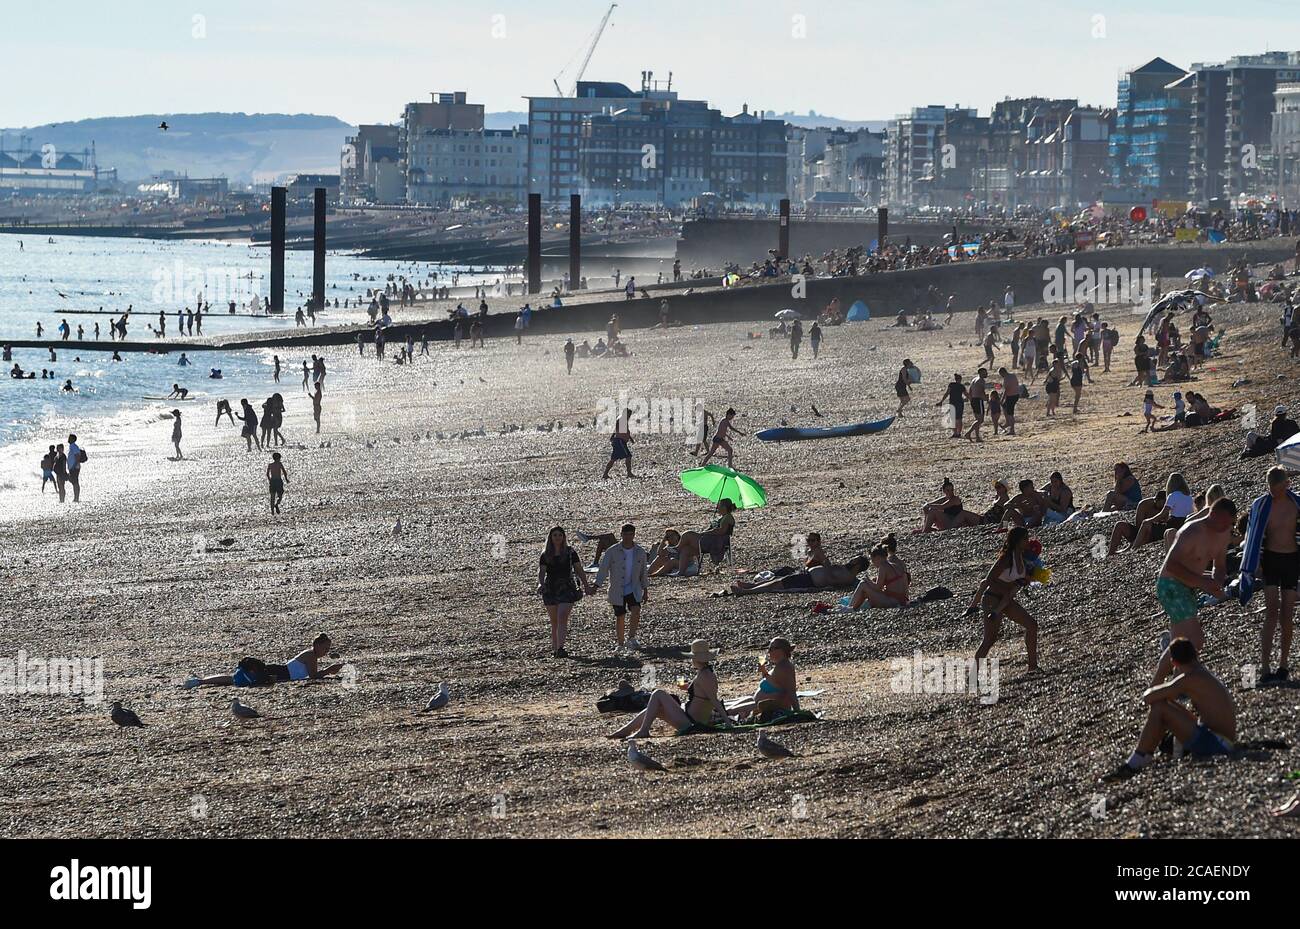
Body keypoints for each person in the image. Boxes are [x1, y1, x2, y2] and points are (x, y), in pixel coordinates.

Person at [1107, 638, 1236, 779]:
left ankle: (1137, 760)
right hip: (1222, 739)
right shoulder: (1201, 673)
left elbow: (1148, 697)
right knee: (1164, 705)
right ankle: (1152, 754)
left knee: (1160, 707)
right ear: (1195, 654)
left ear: (1174, 663)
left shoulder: (1189, 678)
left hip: (1218, 745)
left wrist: (1162, 670)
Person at [1151, 497, 1237, 686]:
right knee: (1195, 640)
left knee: (1180, 642)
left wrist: (1217, 582)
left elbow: (1220, 565)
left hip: (1189, 587)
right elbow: (1172, 565)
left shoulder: (1223, 534)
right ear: (1212, 514)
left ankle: (1165, 684)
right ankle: (1174, 682)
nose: (1225, 527)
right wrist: (1203, 583)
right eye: (1223, 522)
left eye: (1229, 524)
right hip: (1171, 585)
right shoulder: (1191, 531)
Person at [1240, 466, 1299, 684]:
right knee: (1271, 613)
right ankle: (1264, 667)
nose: (1274, 492)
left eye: (1278, 488)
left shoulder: (1296, 504)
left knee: (1287, 615)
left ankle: (1283, 664)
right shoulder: (1262, 505)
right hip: (1271, 561)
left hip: (1291, 561)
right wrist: (1254, 565)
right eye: (1271, 488)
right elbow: (1253, 535)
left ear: (1286, 484)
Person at [606, 639, 724, 738]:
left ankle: (642, 731)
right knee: (655, 708)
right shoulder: (706, 673)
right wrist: (688, 687)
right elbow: (702, 693)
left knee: (658, 693)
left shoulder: (704, 676)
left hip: (691, 722)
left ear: (696, 658)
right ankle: (625, 731)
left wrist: (728, 724)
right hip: (689, 718)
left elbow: (714, 700)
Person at [968, 526, 1039, 672]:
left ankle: (1033, 667)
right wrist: (1006, 591)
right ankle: (973, 675)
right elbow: (989, 579)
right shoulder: (1007, 558)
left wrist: (1029, 580)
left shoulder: (1023, 558)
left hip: (1006, 600)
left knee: (1032, 625)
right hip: (992, 598)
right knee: (989, 639)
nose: (1028, 541)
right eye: (1025, 538)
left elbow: (1021, 579)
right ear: (1017, 541)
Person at [184, 633, 344, 688]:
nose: (326, 651)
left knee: (234, 680)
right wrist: (330, 670)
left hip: (279, 672)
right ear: (316, 645)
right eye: (325, 648)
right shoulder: (311, 655)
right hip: (278, 672)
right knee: (235, 680)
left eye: (328, 649)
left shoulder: (312, 655)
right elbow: (313, 676)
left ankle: (200, 682)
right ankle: (199, 682)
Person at [592, 524, 649, 654]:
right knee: (620, 616)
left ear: (634, 535)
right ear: (621, 534)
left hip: (633, 587)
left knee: (636, 610)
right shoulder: (612, 551)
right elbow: (603, 569)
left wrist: (645, 589)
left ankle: (632, 637)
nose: (628, 537)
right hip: (617, 588)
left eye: (631, 534)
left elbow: (643, 572)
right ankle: (620, 643)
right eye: (625, 534)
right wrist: (596, 585)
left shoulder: (640, 552)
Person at [538, 527, 594, 658]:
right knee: (554, 621)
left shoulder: (570, 552)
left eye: (560, 535)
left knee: (562, 617)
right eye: (555, 535)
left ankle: (561, 647)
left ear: (564, 537)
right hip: (550, 588)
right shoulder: (545, 554)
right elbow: (541, 571)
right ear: (550, 538)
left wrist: (586, 585)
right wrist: (540, 583)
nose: (557, 538)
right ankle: (556, 648)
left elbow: (579, 569)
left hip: (567, 587)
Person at [728, 637, 799, 722]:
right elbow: (775, 682)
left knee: (730, 710)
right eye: (769, 648)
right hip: (758, 703)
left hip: (769, 707)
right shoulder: (779, 666)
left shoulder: (784, 667)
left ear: (782, 650)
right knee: (734, 703)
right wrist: (763, 671)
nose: (769, 652)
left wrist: (797, 712)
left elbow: (791, 691)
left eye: (772, 648)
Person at [730, 555, 870, 596]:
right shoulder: (846, 570)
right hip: (807, 574)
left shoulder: (849, 577)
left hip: (810, 580)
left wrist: (826, 565)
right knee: (778, 580)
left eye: (854, 560)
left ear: (858, 566)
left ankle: (747, 592)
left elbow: (831, 580)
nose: (851, 560)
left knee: (778, 584)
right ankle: (752, 586)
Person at [848, 540, 911, 609]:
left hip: (893, 602)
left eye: (872, 560)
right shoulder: (895, 565)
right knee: (865, 592)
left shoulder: (883, 567)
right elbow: (902, 584)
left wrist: (867, 580)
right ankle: (853, 608)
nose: (873, 563)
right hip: (902, 600)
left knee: (863, 584)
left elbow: (878, 588)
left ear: (877, 557)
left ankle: (849, 608)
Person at [602, 408, 634, 480]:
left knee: (613, 459)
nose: (629, 416)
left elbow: (617, 430)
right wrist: (627, 437)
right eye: (629, 415)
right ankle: (629, 473)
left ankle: (605, 474)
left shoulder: (621, 419)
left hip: (618, 441)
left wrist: (630, 438)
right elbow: (620, 431)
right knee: (628, 456)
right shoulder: (622, 420)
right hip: (620, 442)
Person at [937, 373, 966, 439]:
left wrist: (941, 401)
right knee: (959, 419)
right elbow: (966, 394)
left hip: (952, 403)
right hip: (959, 403)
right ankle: (958, 433)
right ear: (960, 379)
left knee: (953, 419)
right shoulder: (961, 386)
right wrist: (971, 399)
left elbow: (947, 393)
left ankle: (955, 433)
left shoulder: (951, 385)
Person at [997, 367, 1019, 436]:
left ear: (1002, 372)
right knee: (1005, 407)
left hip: (1011, 396)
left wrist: (1001, 399)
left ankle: (1012, 430)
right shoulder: (1013, 375)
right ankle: (1007, 423)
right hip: (1016, 395)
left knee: (1010, 413)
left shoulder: (1006, 378)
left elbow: (1006, 390)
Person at [65, 433, 83, 503]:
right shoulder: (72, 446)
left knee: (75, 482)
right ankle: (76, 497)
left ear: (72, 439)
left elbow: (77, 456)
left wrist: (74, 465)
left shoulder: (73, 446)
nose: (68, 439)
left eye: (69, 438)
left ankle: (76, 498)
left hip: (74, 467)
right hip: (73, 467)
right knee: (74, 481)